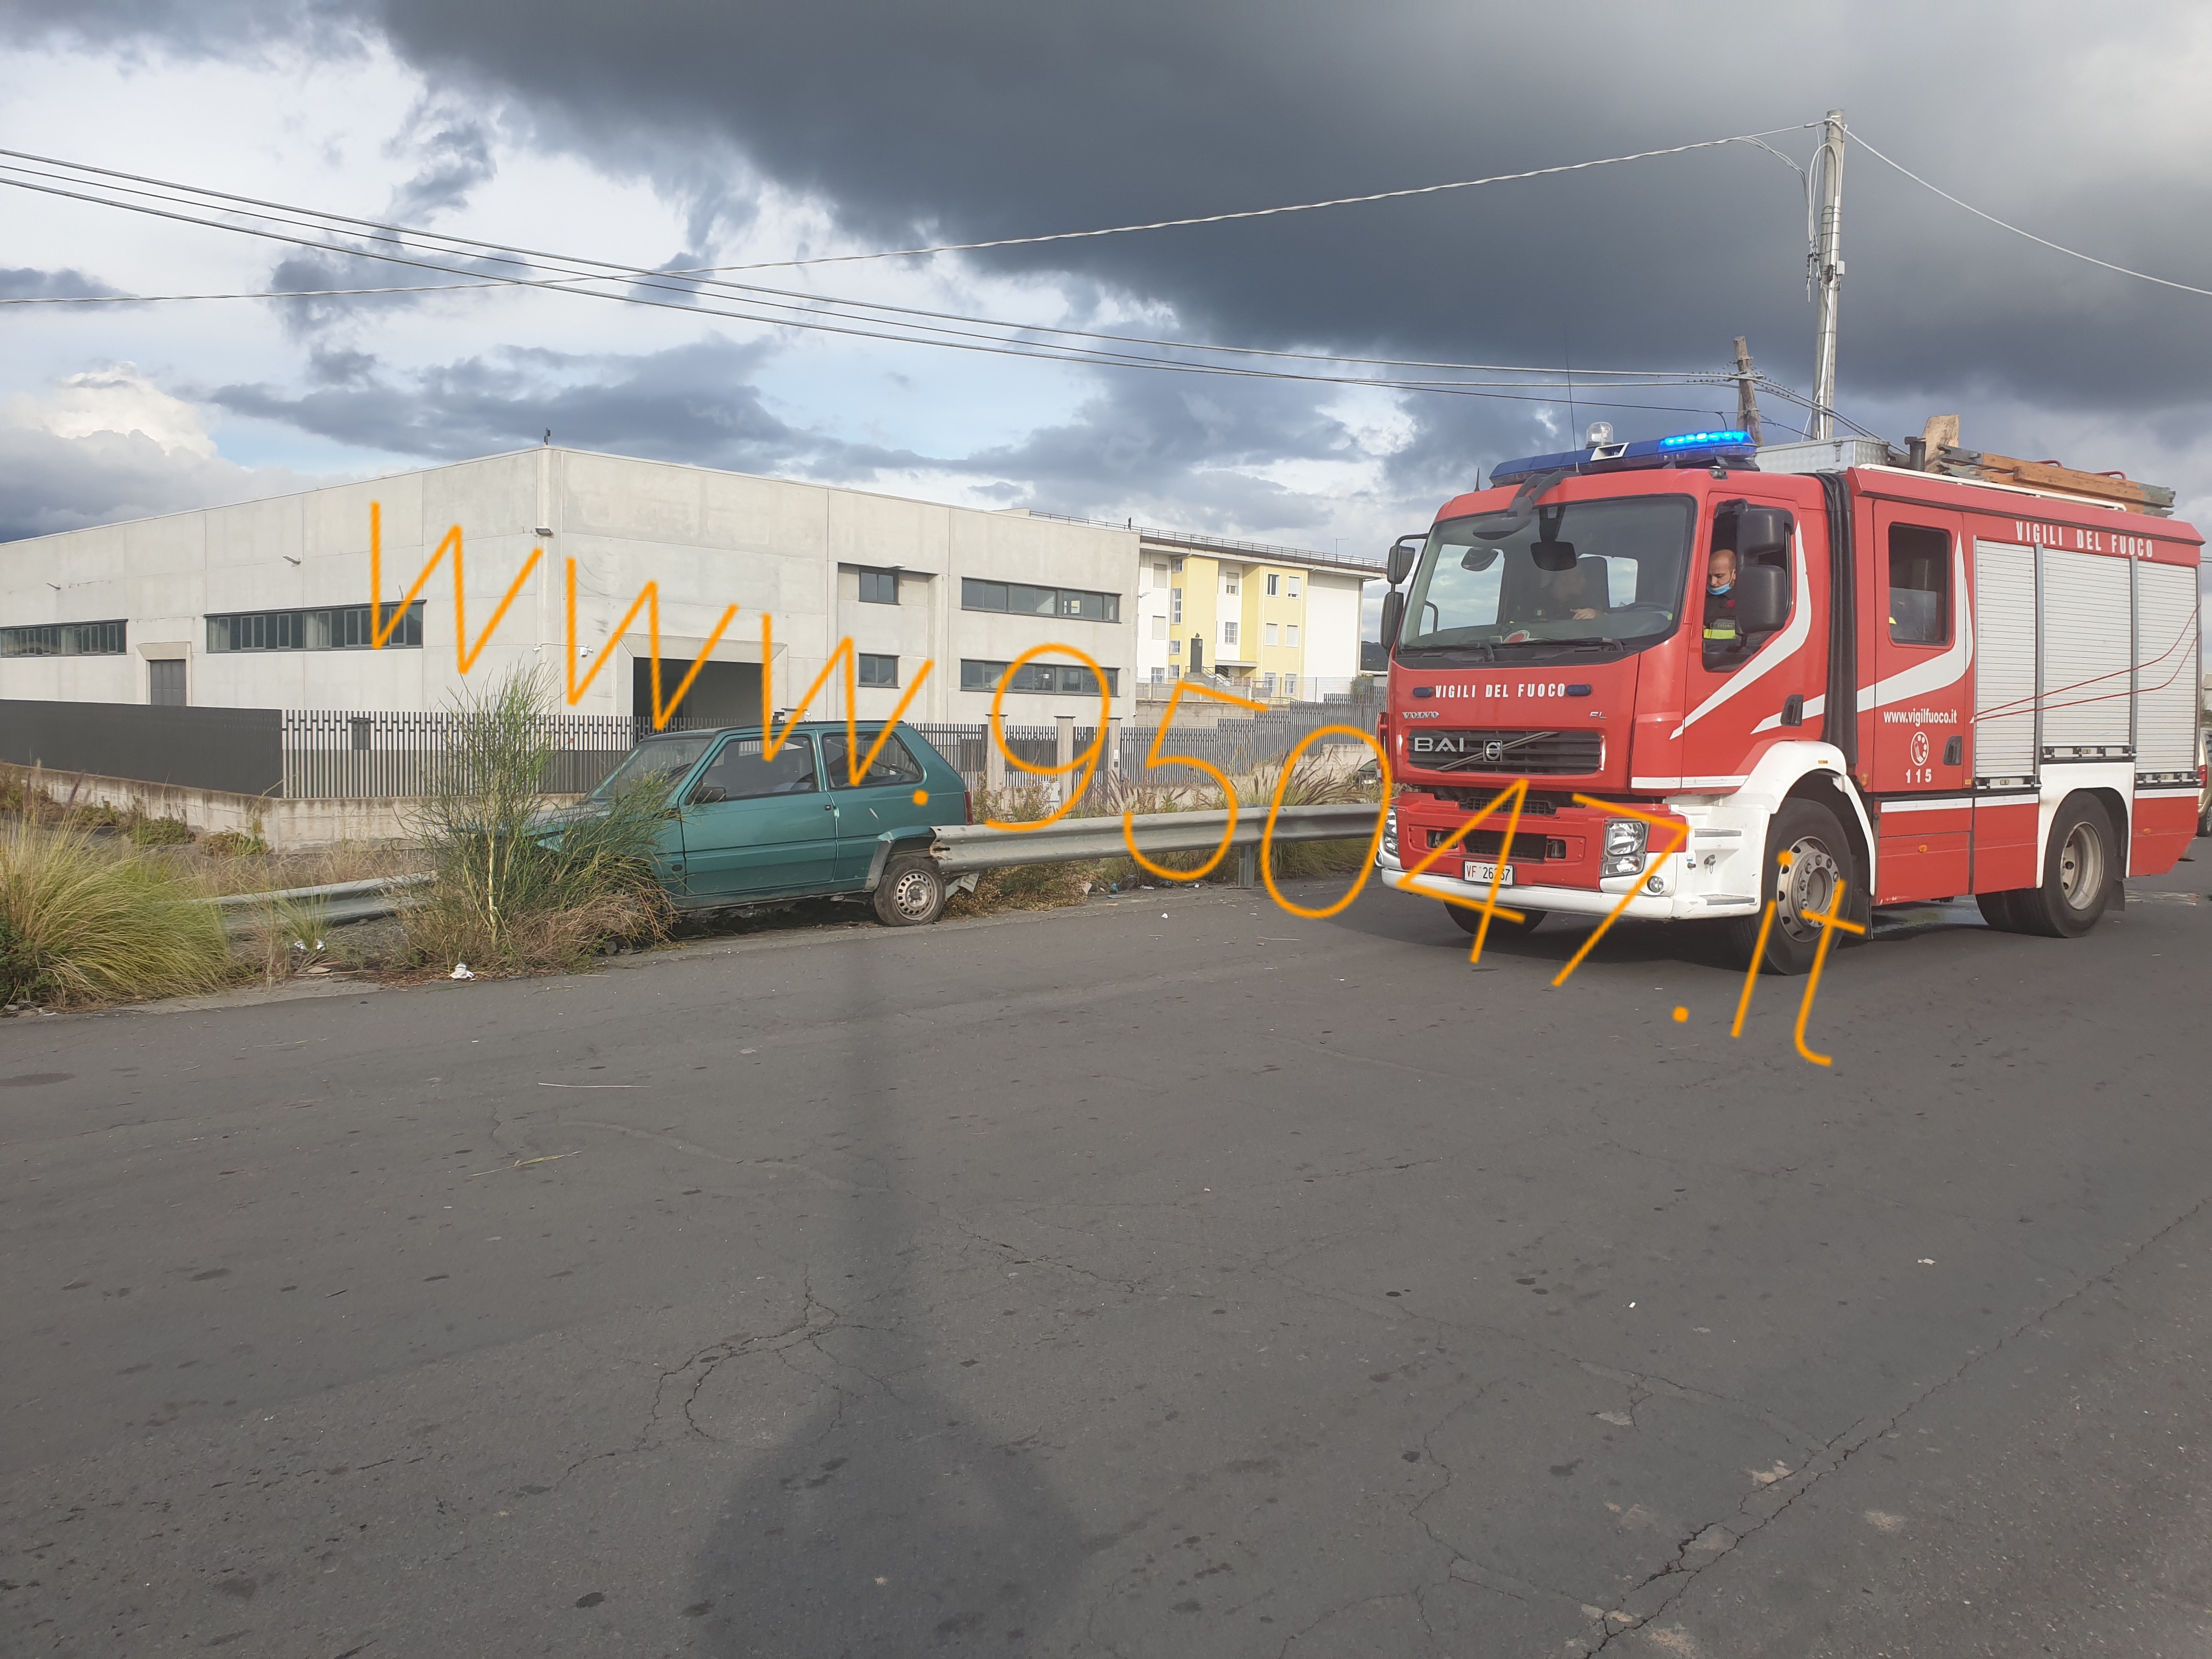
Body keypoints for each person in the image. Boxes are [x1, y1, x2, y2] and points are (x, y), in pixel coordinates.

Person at [1702, 547, 1741, 650]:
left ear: (1735, 574)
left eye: (1719, 576)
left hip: (1732, 656)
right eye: (1710, 576)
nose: (1713, 582)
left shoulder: (1746, 601)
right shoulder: (1699, 598)